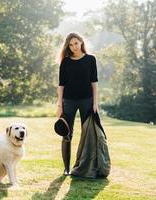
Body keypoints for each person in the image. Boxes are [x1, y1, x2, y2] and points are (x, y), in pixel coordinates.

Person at [56, 32, 99, 176]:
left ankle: (83, 168)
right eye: (71, 44)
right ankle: (66, 168)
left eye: (76, 43)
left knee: (87, 134)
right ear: (68, 46)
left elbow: (94, 84)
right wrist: (60, 105)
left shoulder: (91, 60)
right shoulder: (65, 62)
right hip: (69, 101)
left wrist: (95, 103)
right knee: (66, 133)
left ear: (81, 42)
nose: (74, 46)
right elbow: (61, 85)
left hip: (87, 100)